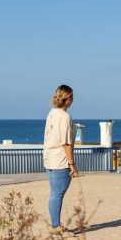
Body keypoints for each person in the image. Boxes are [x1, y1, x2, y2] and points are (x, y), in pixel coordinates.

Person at [43, 85, 79, 230]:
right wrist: (72, 164)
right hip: (60, 160)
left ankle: (55, 224)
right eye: (72, 96)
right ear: (67, 99)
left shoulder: (52, 113)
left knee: (54, 193)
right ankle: (56, 225)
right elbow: (66, 143)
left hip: (49, 158)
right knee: (57, 194)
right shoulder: (64, 117)